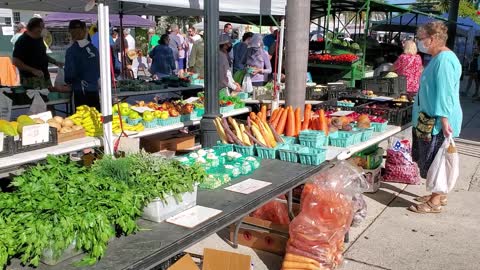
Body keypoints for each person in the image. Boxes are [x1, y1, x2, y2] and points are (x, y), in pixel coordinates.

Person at [409, 21, 463, 214]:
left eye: (421, 39)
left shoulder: (444, 60)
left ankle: (435, 201)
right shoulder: (439, 57)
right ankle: (437, 194)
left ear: (432, 39)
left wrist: (444, 118)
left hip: (438, 121)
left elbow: (445, 92)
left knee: (436, 160)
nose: (420, 43)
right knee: (432, 158)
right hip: (432, 118)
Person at [12, 17, 63, 89]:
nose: (43, 29)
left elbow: (42, 55)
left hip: (44, 76)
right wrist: (33, 70)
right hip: (31, 81)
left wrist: (55, 62)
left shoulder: (39, 38)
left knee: (48, 98)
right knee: (36, 99)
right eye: (41, 27)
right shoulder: (22, 41)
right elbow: (15, 61)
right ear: (33, 28)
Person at [64, 20, 100, 110]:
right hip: (94, 90)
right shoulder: (94, 49)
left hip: (80, 91)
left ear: (71, 32)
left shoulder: (71, 51)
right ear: (85, 31)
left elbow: (69, 75)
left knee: (81, 121)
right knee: (95, 118)